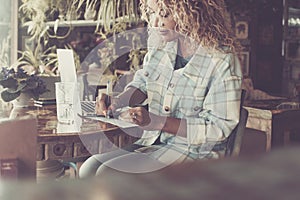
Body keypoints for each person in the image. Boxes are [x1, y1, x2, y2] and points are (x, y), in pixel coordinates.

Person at [79, 0, 242, 177]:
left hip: (197, 153)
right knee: (88, 170)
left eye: (164, 15)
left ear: (191, 14)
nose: (156, 22)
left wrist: (157, 122)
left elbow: (218, 128)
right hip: (156, 142)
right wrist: (119, 101)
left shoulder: (222, 60)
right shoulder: (161, 47)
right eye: (152, 13)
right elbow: (143, 83)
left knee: (107, 174)